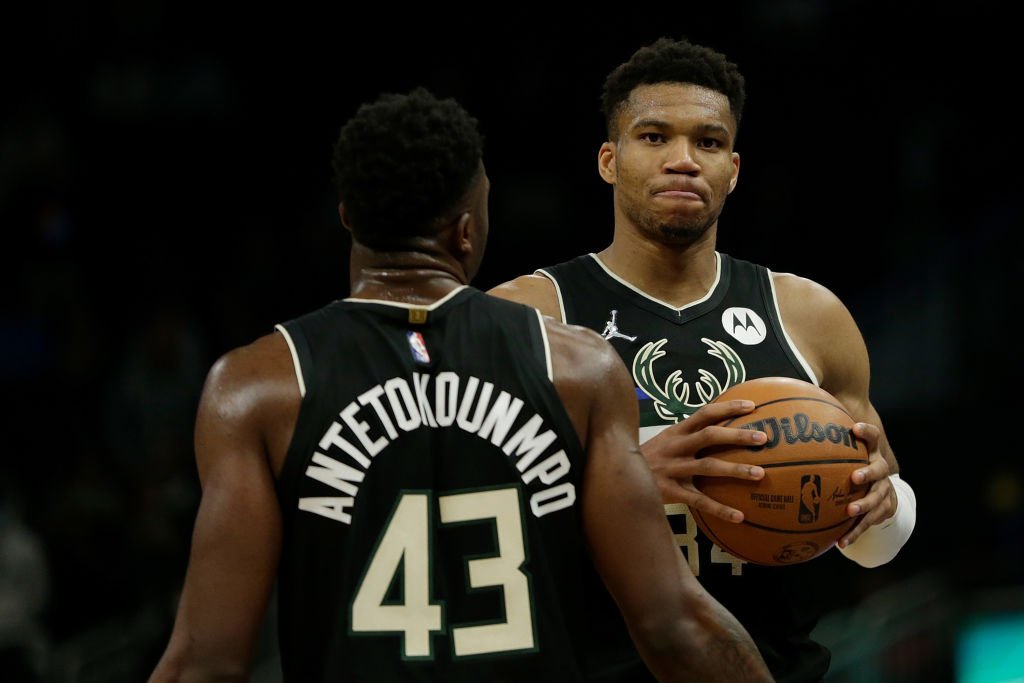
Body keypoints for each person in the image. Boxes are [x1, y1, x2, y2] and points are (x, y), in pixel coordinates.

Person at [147, 87, 774, 682]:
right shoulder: (579, 368)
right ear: (467, 229)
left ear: (348, 217)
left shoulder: (259, 386)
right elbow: (673, 625)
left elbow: (208, 664)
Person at [489, 37, 917, 682]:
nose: (683, 161)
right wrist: (623, 485)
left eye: (709, 143)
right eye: (655, 137)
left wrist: (882, 504)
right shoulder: (522, 315)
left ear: (735, 169)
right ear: (610, 160)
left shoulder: (809, 313)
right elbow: (463, 514)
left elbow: (875, 544)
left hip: (774, 666)